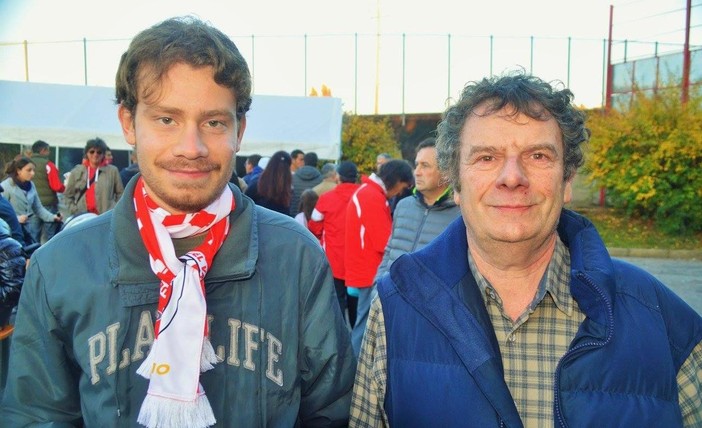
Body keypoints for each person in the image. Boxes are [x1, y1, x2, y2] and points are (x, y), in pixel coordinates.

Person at [1, 16, 354, 428]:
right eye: (167, 119)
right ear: (129, 124)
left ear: (239, 131)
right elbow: (36, 416)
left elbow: (333, 412)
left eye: (214, 122)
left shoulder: (296, 257)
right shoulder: (60, 267)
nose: (192, 148)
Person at [350, 73, 702, 427]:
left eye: (538, 155)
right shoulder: (395, 307)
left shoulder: (662, 319)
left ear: (567, 181)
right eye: (487, 157)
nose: (513, 176)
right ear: (456, 185)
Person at [372, 137, 461, 289]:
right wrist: (378, 287)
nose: (417, 172)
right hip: (389, 299)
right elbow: (390, 250)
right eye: (416, 165)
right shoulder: (403, 206)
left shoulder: (462, 215)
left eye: (425, 166)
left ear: (446, 172)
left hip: (428, 308)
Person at [345, 159, 413, 356]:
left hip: (363, 267)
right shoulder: (371, 196)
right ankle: (355, 371)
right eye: (403, 186)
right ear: (396, 179)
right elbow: (383, 240)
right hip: (369, 269)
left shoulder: (369, 192)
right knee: (364, 324)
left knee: (364, 321)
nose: (401, 192)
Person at [309, 161, 360, 328]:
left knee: (337, 299)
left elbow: (314, 224)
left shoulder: (326, 198)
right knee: (356, 301)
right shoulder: (364, 196)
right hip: (357, 260)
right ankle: (357, 335)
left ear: (338, 176)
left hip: (334, 258)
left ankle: (340, 335)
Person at [0, 157, 62, 245]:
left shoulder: (31, 185)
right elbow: (2, 212)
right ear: (19, 171)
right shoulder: (6, 186)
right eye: (29, 170)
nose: (32, 173)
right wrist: (16, 218)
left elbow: (38, 208)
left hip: (26, 231)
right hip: (9, 233)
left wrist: (53, 217)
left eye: (33, 170)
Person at [63, 137, 124, 216]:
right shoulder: (77, 171)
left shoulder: (112, 171)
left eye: (99, 152)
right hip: (83, 218)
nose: (95, 154)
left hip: (105, 217)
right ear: (87, 153)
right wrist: (75, 211)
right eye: (92, 152)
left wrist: (114, 209)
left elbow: (120, 194)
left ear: (103, 154)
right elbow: (68, 195)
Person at [28, 140, 65, 244]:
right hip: (48, 205)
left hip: (32, 204)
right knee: (51, 237)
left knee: (33, 236)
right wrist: (66, 187)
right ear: (43, 150)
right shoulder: (48, 165)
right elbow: (56, 186)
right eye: (48, 150)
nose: (49, 153)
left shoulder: (27, 164)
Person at [244, 150, 293, 215]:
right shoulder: (289, 188)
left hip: (258, 221)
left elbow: (245, 203)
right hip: (280, 222)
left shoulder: (257, 184)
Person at [290, 151, 322, 217]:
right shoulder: (321, 179)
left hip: (294, 215)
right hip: (313, 217)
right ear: (317, 163)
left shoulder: (293, 177)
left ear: (304, 161)